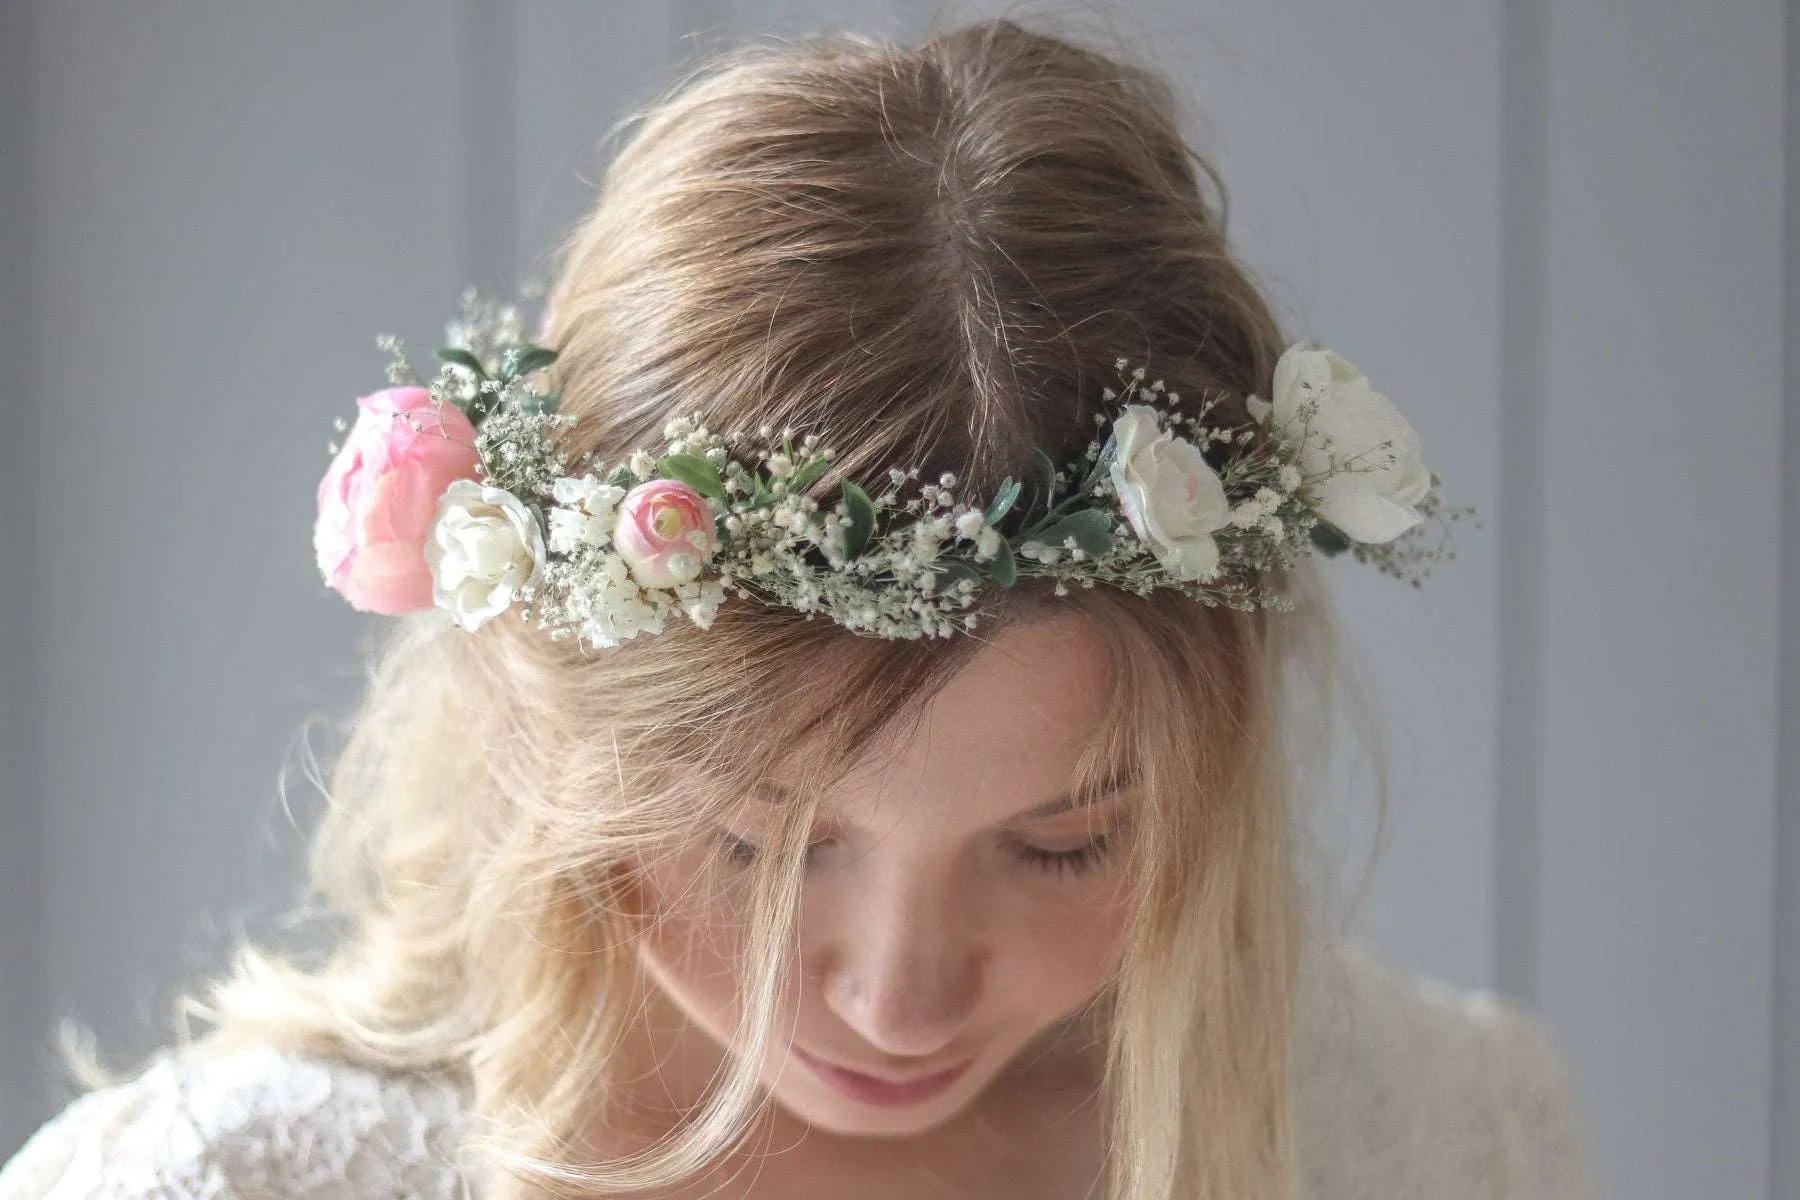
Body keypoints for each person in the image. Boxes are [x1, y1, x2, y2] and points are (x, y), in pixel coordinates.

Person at [0, 16, 1597, 1200]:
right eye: (759, 843)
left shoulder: (1439, 1134)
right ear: (570, 723)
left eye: (1067, 842)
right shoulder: (224, 1181)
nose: (896, 997)